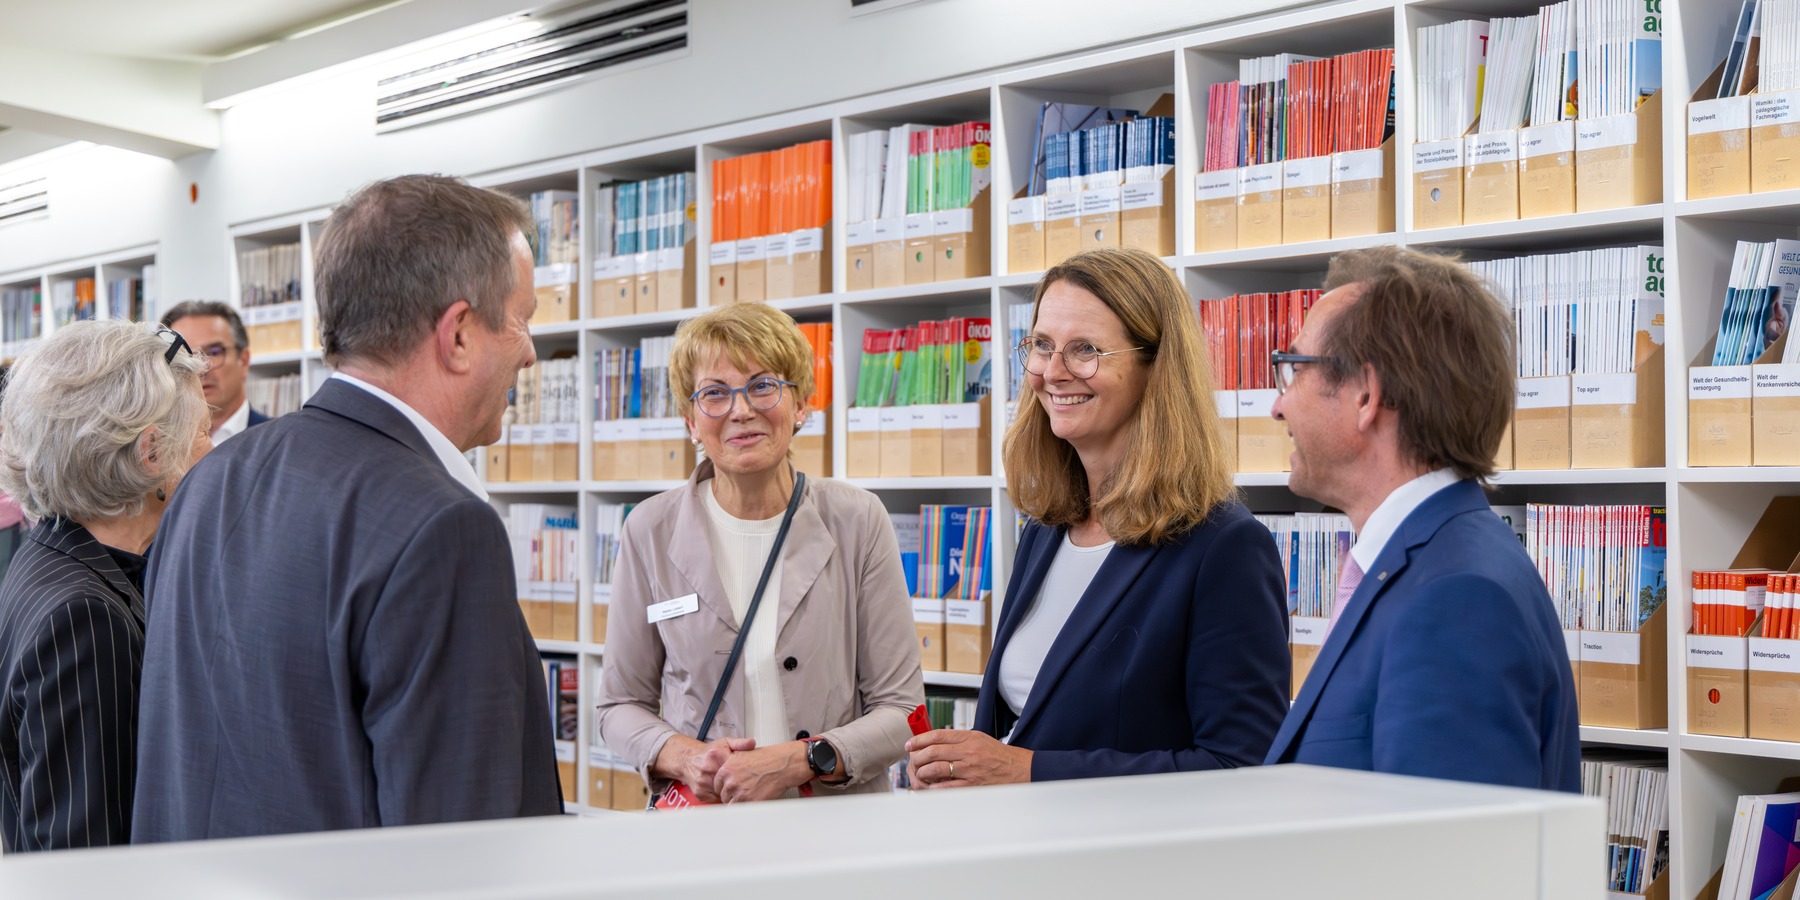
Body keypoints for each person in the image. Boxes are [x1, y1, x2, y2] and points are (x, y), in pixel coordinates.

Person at [133, 174, 562, 841]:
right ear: (457, 335)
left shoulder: (209, 480)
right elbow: (459, 849)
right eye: (521, 318)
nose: (531, 351)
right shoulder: (443, 527)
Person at [907, 247, 1288, 788]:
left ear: (1155, 368)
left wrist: (1027, 771)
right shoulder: (1045, 530)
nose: (1052, 373)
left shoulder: (1225, 547)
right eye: (1042, 345)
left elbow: (1241, 767)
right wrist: (960, 767)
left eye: (1084, 350)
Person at [1261, 246, 1579, 791]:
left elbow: (1443, 843)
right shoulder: (1428, 564)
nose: (1278, 406)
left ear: (1366, 394)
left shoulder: (1456, 599)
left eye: (1294, 369)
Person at [596, 302, 923, 803]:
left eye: (763, 385)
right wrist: (686, 757)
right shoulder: (649, 530)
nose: (741, 410)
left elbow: (902, 710)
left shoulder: (858, 520)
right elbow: (618, 706)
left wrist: (798, 761)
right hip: (709, 823)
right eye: (714, 393)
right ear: (690, 421)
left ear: (801, 405)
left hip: (835, 826)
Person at [0, 321, 210, 851]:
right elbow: (85, 853)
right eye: (204, 432)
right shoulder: (84, 619)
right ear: (152, 453)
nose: (213, 451)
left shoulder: (50, 553)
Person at [159, 301, 269, 443]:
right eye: (184, 356)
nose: (201, 368)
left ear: (244, 360)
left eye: (214, 352)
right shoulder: (153, 447)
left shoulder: (279, 441)